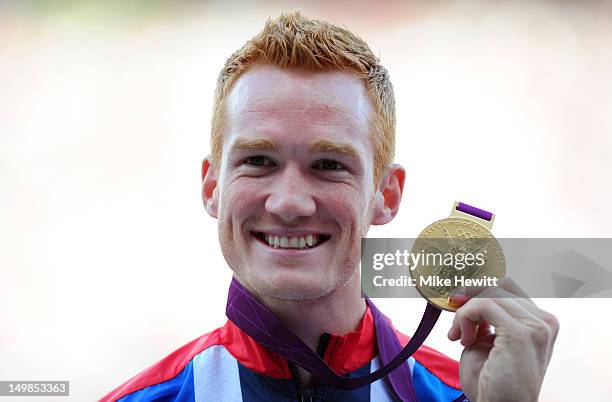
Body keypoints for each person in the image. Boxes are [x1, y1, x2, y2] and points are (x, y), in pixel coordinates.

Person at [100, 11, 559, 402]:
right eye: (258, 161)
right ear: (211, 186)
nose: (289, 203)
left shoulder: (462, 394)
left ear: (387, 195)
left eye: (328, 164)